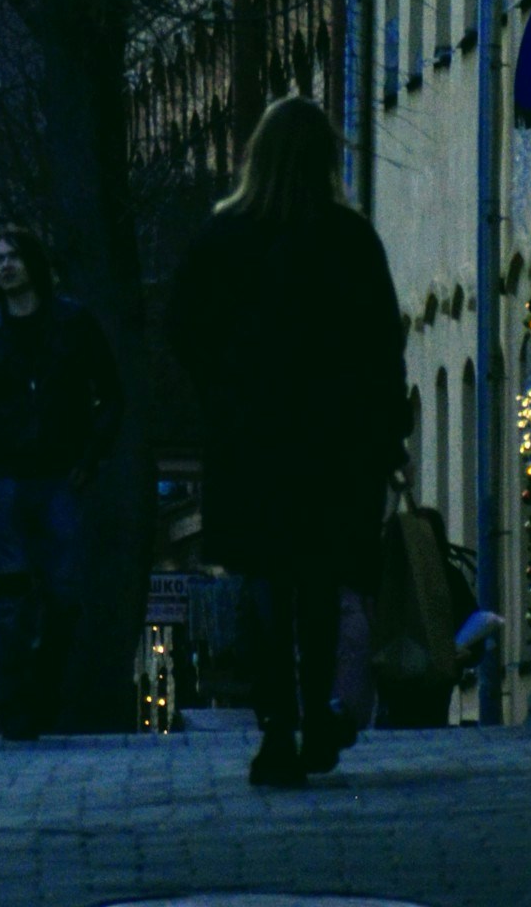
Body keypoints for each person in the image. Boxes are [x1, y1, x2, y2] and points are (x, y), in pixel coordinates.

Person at [164, 94, 406, 790]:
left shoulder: (224, 237)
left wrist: (225, 392)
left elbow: (183, 328)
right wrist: (386, 433)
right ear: (325, 160)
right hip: (334, 444)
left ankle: (274, 725)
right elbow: (379, 345)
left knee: (264, 585)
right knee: (321, 585)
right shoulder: (347, 238)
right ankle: (320, 712)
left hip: (253, 444)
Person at [0, 218, 123, 738]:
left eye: (13, 256)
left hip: (57, 477)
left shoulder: (74, 325)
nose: (5, 266)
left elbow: (112, 395)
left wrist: (91, 455)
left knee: (65, 596)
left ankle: (43, 694)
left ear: (33, 264)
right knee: (10, 596)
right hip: (1, 478)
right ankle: (17, 712)